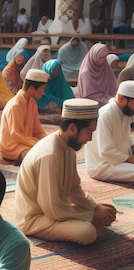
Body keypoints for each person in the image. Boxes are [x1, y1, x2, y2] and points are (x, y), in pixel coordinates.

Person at [14, 98, 117, 245]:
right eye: (88, 132)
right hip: (35, 218)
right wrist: (90, 216)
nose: (90, 138)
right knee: (87, 232)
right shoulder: (49, 155)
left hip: (55, 211)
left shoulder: (68, 148)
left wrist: (96, 207)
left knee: (104, 212)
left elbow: (74, 190)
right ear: (73, 128)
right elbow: (53, 209)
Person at [86, 80, 134, 182]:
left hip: (118, 161)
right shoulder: (106, 114)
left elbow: (126, 142)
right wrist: (129, 159)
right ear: (121, 98)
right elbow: (105, 151)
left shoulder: (125, 113)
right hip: (102, 166)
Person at [0, 69, 48, 164]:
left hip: (26, 142)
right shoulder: (15, 106)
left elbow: (37, 130)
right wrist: (36, 144)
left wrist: (48, 140)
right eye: (42, 89)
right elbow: (15, 134)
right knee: (37, 156)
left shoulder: (32, 102)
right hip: (12, 146)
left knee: (49, 150)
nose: (43, 92)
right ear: (31, 89)